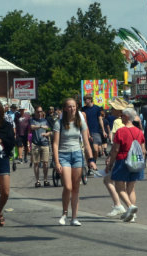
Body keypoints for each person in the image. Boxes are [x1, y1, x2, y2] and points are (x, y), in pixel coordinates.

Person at [52, 97, 97, 226]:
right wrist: (57, 162)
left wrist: (91, 160)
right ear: (65, 108)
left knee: (76, 188)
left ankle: (74, 217)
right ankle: (64, 213)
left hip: (77, 155)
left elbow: (86, 143)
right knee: (68, 186)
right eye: (69, 106)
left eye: (74, 106)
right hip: (63, 155)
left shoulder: (80, 122)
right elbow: (55, 144)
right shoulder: (58, 123)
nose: (72, 109)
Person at [106, 107, 145, 223]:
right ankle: (132, 215)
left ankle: (130, 207)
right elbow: (143, 150)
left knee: (119, 187)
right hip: (136, 161)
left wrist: (110, 163)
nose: (120, 117)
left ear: (127, 117)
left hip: (123, 160)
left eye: (122, 116)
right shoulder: (139, 132)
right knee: (131, 188)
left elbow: (115, 150)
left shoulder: (120, 131)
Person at [29, 106, 52, 187]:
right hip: (35, 144)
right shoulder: (32, 120)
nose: (39, 113)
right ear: (35, 112)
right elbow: (32, 127)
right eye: (38, 111)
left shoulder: (46, 120)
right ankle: (37, 181)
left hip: (45, 143)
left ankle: (45, 180)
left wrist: (47, 134)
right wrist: (40, 126)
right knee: (36, 163)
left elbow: (50, 131)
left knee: (45, 163)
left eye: (41, 111)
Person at [81, 95, 105, 161]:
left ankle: (94, 162)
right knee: (87, 149)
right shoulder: (83, 109)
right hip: (86, 130)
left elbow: (100, 119)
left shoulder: (97, 108)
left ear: (91, 99)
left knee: (95, 150)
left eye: (87, 99)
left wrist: (103, 130)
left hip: (96, 130)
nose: (86, 101)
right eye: (85, 99)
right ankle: (89, 165)